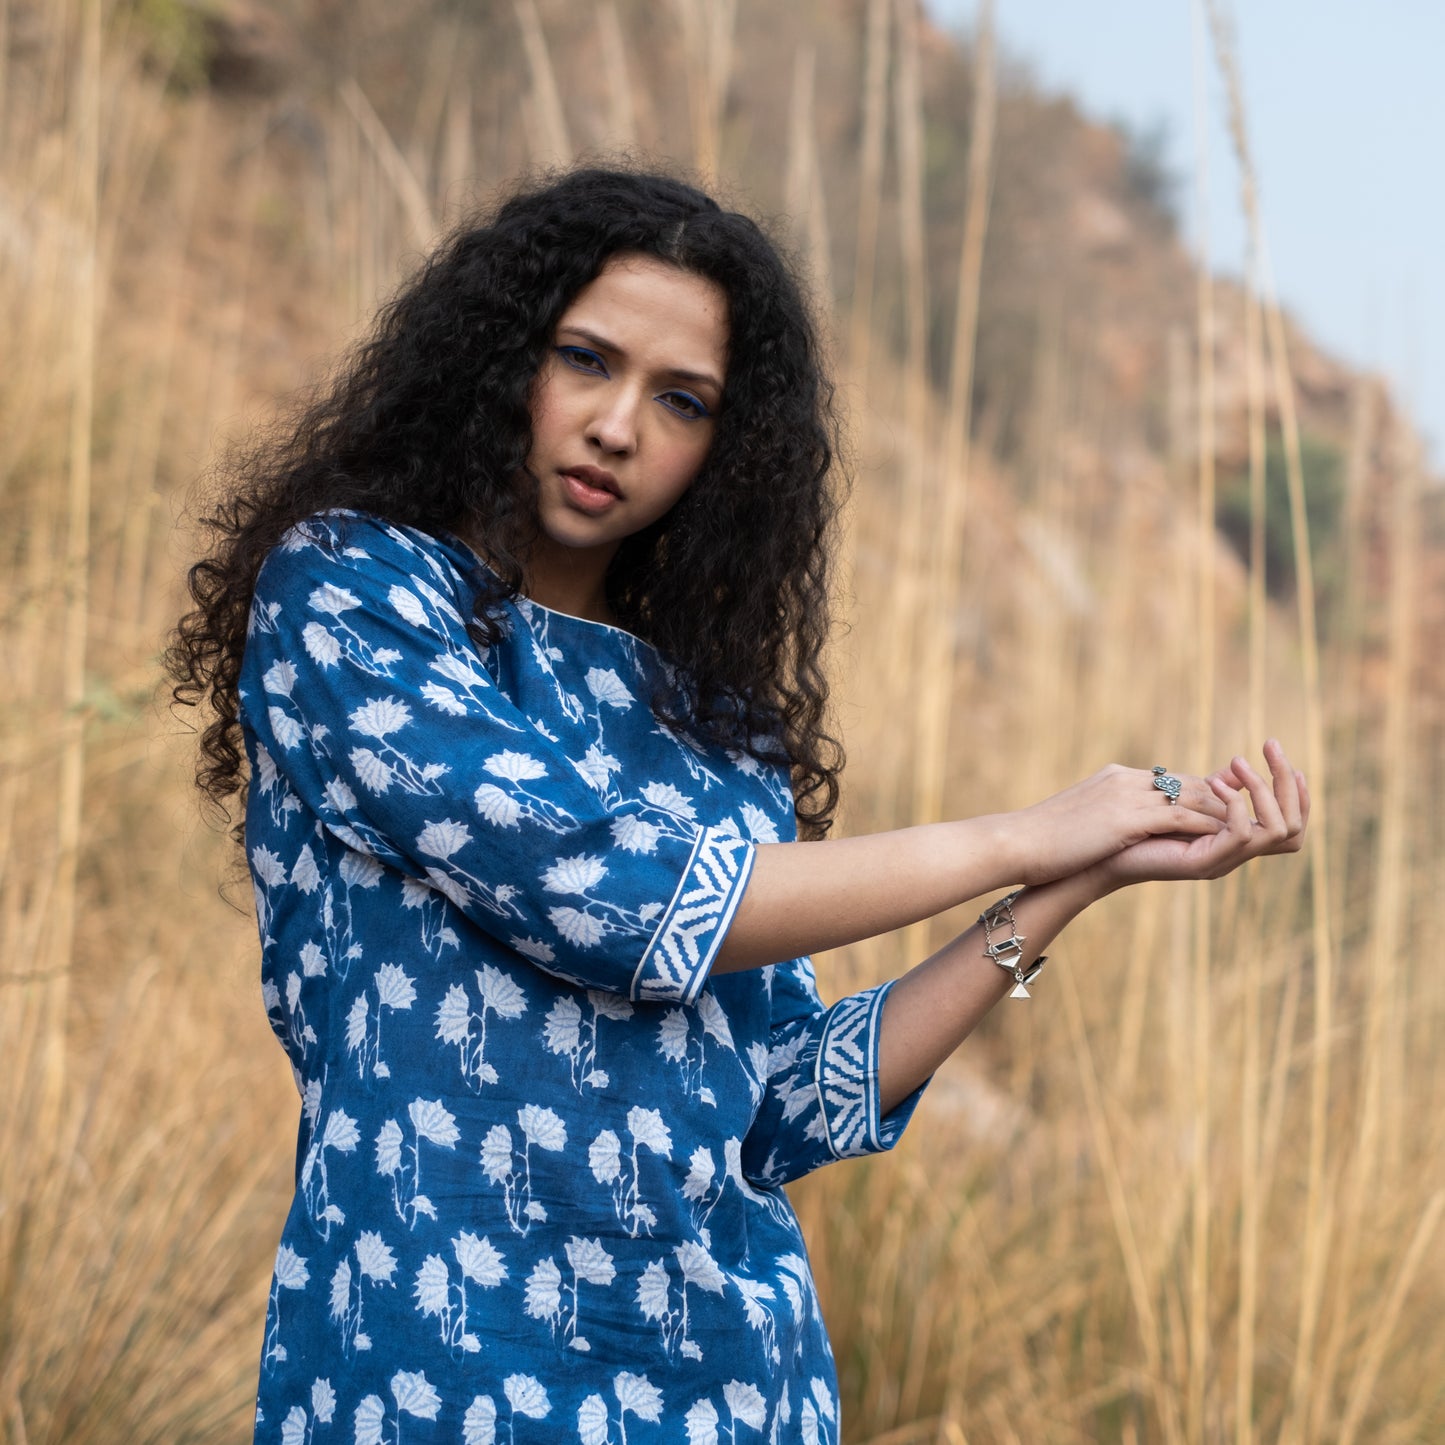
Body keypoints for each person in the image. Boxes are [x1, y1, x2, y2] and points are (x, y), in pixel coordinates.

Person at [169, 167, 1307, 1444]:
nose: (615, 426)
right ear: (501, 356)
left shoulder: (713, 723)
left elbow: (782, 1106)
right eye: (584, 359)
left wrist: (1072, 878)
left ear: (727, 446)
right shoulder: (355, 595)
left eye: (681, 400)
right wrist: (1020, 830)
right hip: (434, 1368)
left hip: (731, 1387)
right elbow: (602, 892)